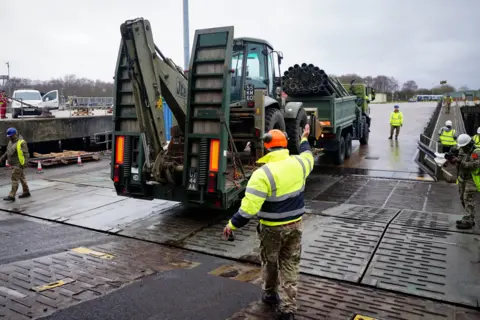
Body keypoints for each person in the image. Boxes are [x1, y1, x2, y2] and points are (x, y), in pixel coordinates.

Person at [223, 124, 314, 320]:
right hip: (295, 226)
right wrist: (305, 138)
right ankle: (289, 308)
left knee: (270, 262)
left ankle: (271, 294)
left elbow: (248, 210)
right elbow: (308, 155)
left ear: (267, 148)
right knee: (290, 263)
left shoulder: (262, 174)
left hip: (271, 230)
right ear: (285, 145)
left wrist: (232, 225)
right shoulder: (300, 164)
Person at [450, 134, 479, 229]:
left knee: (468, 199)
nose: (462, 148)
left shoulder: (475, 152)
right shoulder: (462, 150)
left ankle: (470, 220)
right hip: (462, 178)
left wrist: (460, 162)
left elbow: (475, 164)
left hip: (471, 179)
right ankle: (468, 217)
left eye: (464, 146)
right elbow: (460, 159)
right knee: (462, 198)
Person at [0, 127, 31, 201]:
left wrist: (24, 164)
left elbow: (26, 154)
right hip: (13, 164)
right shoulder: (11, 142)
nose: (10, 137)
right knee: (22, 178)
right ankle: (26, 192)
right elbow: (8, 152)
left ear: (15, 134)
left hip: (18, 164)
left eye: (11, 136)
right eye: (9, 136)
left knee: (14, 179)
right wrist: (2, 158)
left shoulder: (21, 142)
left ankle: (12, 195)